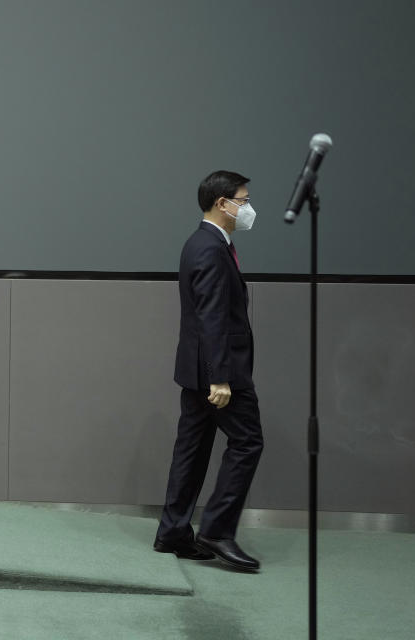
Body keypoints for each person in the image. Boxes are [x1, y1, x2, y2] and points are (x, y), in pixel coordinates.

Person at [154, 170, 264, 572]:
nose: (248, 208)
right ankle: (217, 530)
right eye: (244, 199)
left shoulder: (200, 243)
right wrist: (220, 377)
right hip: (219, 373)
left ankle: (173, 533)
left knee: (192, 450)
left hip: (196, 370)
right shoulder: (211, 249)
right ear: (223, 203)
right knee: (248, 441)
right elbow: (212, 317)